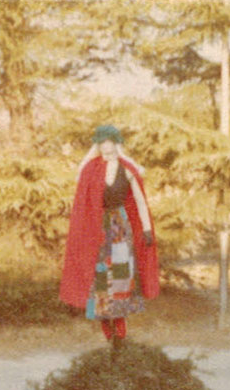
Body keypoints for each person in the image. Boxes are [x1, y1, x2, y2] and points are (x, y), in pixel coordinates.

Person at [59, 124, 158, 345]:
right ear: (98, 145)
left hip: (120, 226)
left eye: (109, 143)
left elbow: (140, 201)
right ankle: (106, 327)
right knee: (101, 277)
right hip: (98, 229)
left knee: (122, 276)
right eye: (102, 144)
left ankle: (120, 327)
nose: (106, 147)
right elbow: (82, 205)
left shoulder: (127, 170)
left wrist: (146, 228)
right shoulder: (91, 170)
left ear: (116, 144)